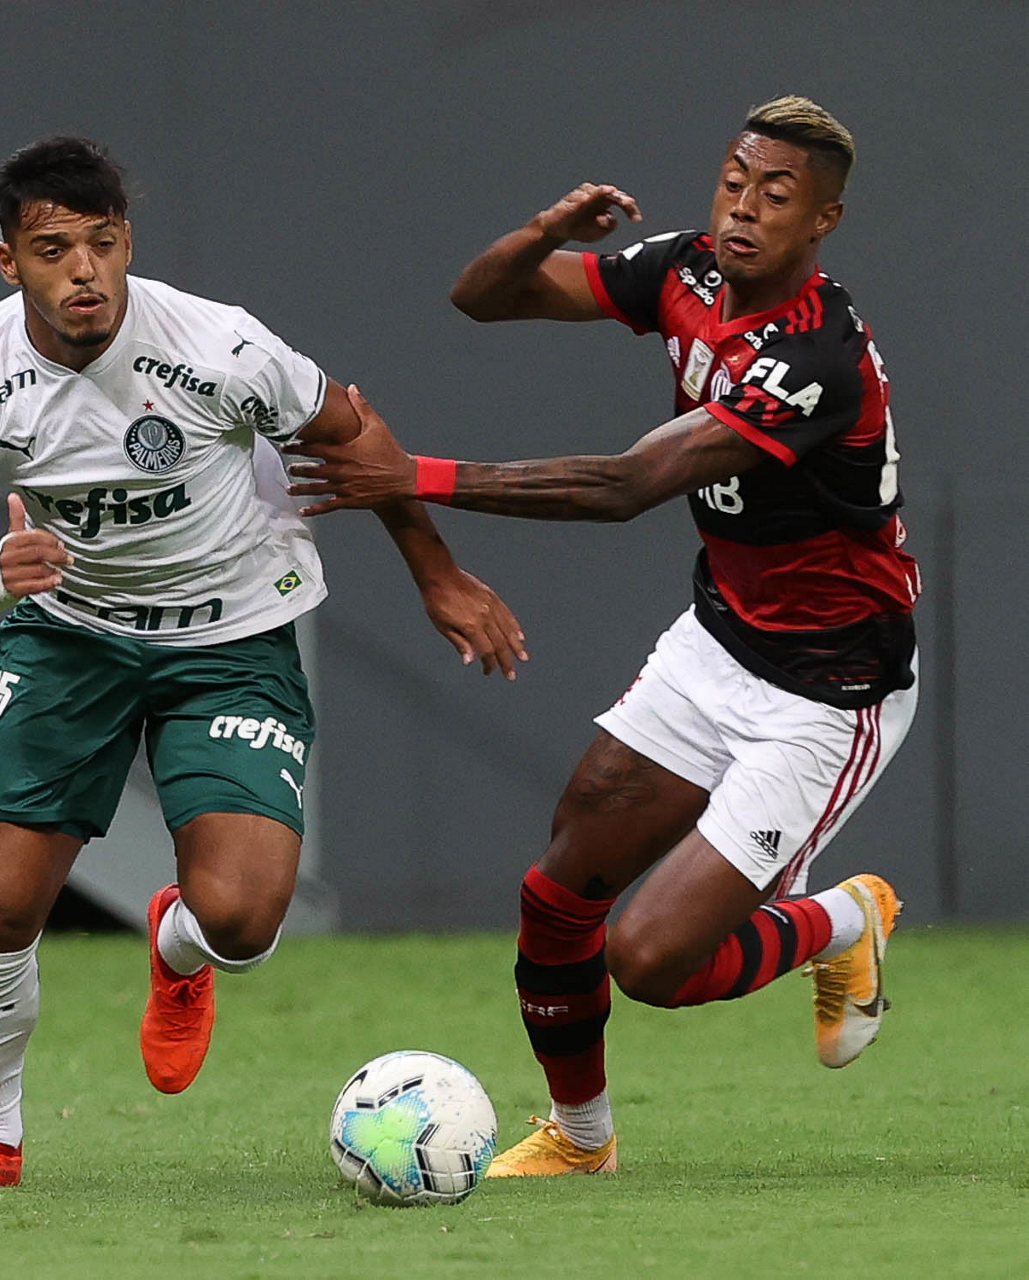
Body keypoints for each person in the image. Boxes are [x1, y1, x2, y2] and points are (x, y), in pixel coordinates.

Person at [286, 96, 920, 1176]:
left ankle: (844, 920)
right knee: (558, 889)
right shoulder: (684, 271)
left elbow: (626, 484)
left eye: (776, 195)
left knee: (652, 959)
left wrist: (410, 475)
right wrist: (543, 232)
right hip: (719, 640)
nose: (742, 207)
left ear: (824, 221)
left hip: (828, 689)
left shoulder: (817, 355)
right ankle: (581, 1139)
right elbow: (481, 296)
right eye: (734, 180)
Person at [0, 136, 527, 1190]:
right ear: (8, 261)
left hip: (231, 637)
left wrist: (437, 573)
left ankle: (178, 949)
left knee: (239, 919)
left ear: (126, 242)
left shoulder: (219, 345)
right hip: (70, 637)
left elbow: (354, 435)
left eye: (103, 243)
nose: (85, 271)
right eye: (53, 250)